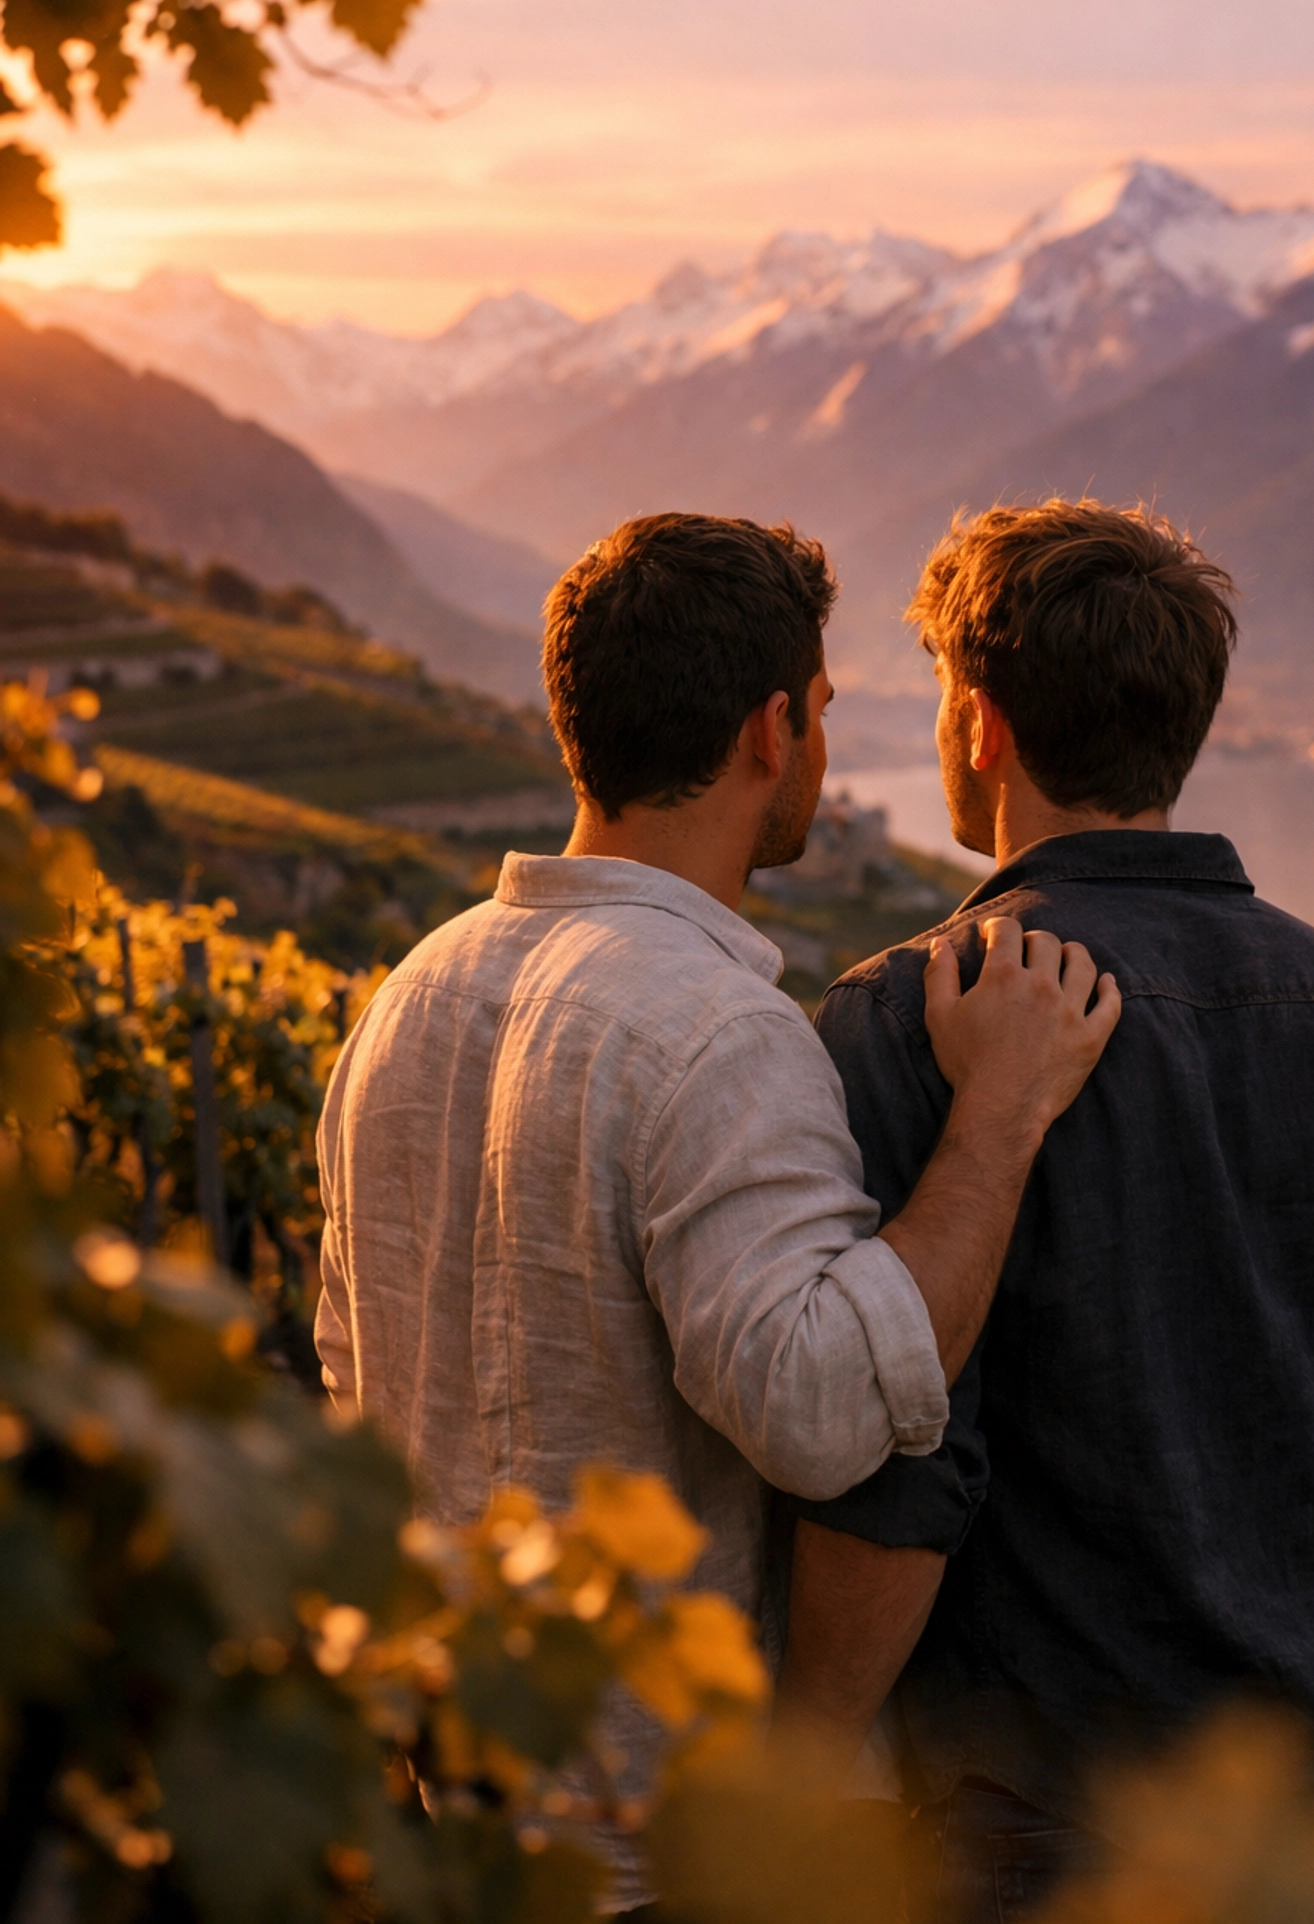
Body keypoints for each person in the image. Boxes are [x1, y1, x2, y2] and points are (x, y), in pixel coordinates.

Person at [314, 511, 1119, 1913]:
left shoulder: (410, 998)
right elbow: (822, 1413)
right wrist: (1000, 1115)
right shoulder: (718, 1030)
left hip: (460, 1813)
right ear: (771, 731)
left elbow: (349, 1368)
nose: (818, 745)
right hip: (662, 1843)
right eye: (817, 712)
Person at [777, 499, 1314, 1919]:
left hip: (1053, 1847)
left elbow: (899, 1479)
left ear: (979, 727)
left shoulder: (915, 1020)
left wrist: (796, 1773)